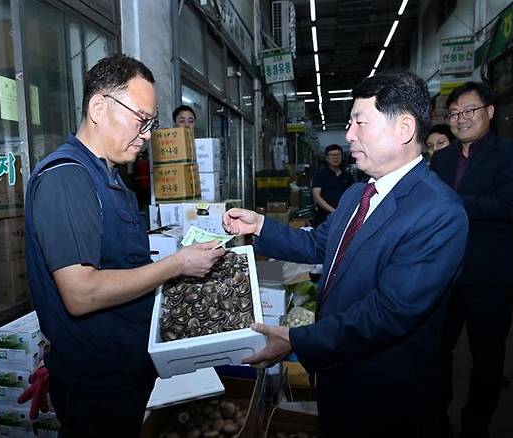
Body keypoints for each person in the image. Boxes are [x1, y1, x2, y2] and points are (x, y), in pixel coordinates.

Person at [223, 71, 469, 437]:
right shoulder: (358, 194)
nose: (349, 135)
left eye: (359, 122)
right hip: (340, 371)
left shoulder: (439, 213)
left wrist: (297, 339)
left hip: (387, 391)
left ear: (403, 129)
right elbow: (320, 245)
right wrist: (260, 226)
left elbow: (389, 313)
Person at [24, 54, 224, 437]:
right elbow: (80, 293)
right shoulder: (66, 179)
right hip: (97, 387)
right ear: (99, 107)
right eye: (141, 119)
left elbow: (120, 259)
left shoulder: (112, 179)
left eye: (151, 122)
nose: (147, 133)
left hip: (128, 368)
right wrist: (177, 264)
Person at [430, 82, 513, 438]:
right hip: (443, 275)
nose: (460, 119)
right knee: (436, 351)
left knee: (487, 357)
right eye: (454, 113)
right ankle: (437, 417)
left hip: (490, 274)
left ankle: (476, 425)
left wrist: (450, 205)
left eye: (468, 111)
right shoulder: (441, 158)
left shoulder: (512, 153)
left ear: (489, 112)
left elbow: (509, 205)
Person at [311, 144, 354, 227]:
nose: (335, 157)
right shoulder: (320, 174)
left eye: (338, 155)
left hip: (344, 216)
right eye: (332, 155)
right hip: (324, 218)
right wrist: (334, 212)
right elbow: (316, 197)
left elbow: (353, 195)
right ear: (326, 158)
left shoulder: (347, 175)